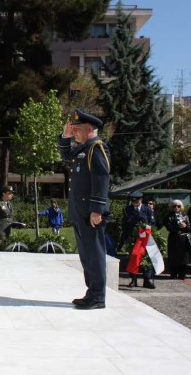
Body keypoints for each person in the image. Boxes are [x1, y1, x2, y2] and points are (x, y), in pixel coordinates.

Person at [58, 109, 110, 310]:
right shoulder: (84, 148)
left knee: (94, 254)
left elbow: (101, 179)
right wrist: (65, 137)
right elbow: (66, 155)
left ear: (89, 129)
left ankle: (98, 296)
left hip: (91, 213)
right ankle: (92, 293)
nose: (75, 133)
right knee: (87, 255)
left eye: (77, 129)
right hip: (81, 212)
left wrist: (97, 210)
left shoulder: (96, 148)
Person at [163, 200, 191, 279]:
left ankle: (182, 274)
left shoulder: (185, 216)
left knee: (183, 257)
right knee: (173, 256)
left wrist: (185, 226)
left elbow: (189, 228)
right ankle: (173, 274)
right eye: (174, 206)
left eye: (178, 206)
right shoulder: (168, 216)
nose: (176, 208)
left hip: (183, 238)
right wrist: (178, 226)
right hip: (173, 238)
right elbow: (169, 228)